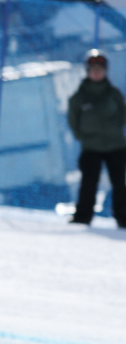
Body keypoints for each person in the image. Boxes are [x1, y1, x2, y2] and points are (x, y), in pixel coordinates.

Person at [67, 49, 126, 228]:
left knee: (120, 183)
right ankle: (83, 217)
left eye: (100, 70)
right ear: (88, 71)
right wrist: (85, 137)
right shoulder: (78, 98)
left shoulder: (114, 94)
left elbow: (123, 115)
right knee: (88, 183)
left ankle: (123, 218)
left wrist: (114, 131)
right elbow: (73, 122)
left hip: (115, 146)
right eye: (93, 70)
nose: (97, 73)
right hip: (91, 147)